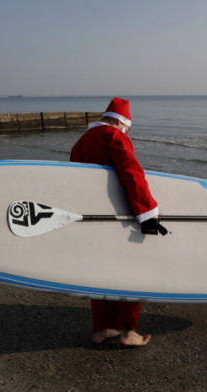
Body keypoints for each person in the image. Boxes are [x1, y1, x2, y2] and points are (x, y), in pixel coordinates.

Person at [70, 97, 166, 346]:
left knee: (100, 271)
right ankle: (127, 332)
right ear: (121, 122)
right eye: (127, 128)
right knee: (130, 270)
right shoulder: (115, 137)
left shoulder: (81, 142)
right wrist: (148, 213)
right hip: (118, 218)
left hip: (90, 217)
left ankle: (102, 329)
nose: (127, 132)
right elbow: (132, 174)